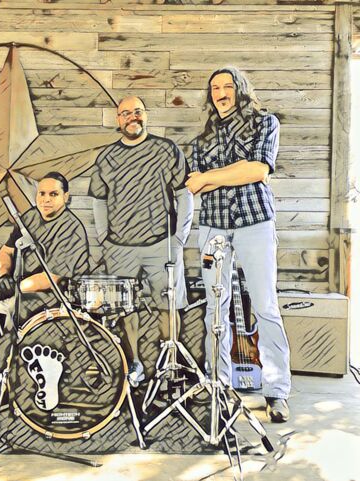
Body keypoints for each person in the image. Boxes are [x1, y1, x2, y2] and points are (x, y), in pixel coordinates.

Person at [186, 67, 291, 422]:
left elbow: (258, 170)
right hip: (213, 227)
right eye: (215, 87)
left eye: (227, 86)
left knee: (265, 306)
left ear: (240, 89)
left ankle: (276, 392)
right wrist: (233, 172)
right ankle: (218, 386)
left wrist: (212, 176)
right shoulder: (201, 139)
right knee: (215, 309)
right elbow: (194, 185)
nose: (221, 92)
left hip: (255, 222)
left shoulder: (265, 123)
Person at [0, 172, 89, 413]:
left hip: (55, 295)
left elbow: (51, 277)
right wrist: (4, 276)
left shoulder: (72, 228)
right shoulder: (28, 219)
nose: (46, 199)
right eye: (42, 194)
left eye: (53, 194)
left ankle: (4, 387)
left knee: (15, 308)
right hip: (19, 286)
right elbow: (5, 253)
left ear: (66, 197)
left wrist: (14, 288)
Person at [88, 96, 193, 387]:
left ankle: (170, 368)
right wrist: (104, 238)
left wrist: (180, 237)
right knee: (125, 309)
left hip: (162, 244)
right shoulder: (107, 157)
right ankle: (133, 365)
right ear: (118, 120)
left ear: (146, 115)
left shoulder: (167, 149)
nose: (132, 117)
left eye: (137, 112)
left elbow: (184, 194)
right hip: (120, 248)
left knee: (168, 306)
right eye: (125, 113)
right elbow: (98, 199)